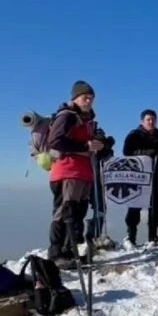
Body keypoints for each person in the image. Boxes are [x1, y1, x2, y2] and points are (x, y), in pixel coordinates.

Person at [46, 81, 105, 268]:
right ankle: (56, 254)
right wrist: (85, 146)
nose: (88, 101)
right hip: (67, 172)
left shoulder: (86, 120)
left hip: (82, 173)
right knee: (64, 213)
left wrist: (98, 146)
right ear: (75, 98)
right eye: (84, 97)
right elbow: (55, 141)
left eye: (91, 98)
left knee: (77, 214)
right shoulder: (68, 116)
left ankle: (70, 252)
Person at [122, 109, 158, 247]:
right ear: (142, 121)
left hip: (156, 176)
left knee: (157, 208)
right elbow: (127, 152)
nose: (151, 122)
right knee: (135, 207)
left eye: (153, 119)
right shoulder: (134, 135)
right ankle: (131, 237)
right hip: (138, 177)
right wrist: (147, 153)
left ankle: (153, 236)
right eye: (148, 119)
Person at [85, 126, 115, 247]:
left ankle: (92, 236)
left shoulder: (103, 151)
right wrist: (107, 145)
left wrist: (106, 146)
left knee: (100, 208)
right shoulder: (86, 146)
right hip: (89, 180)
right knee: (99, 208)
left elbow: (109, 156)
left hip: (90, 180)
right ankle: (90, 237)